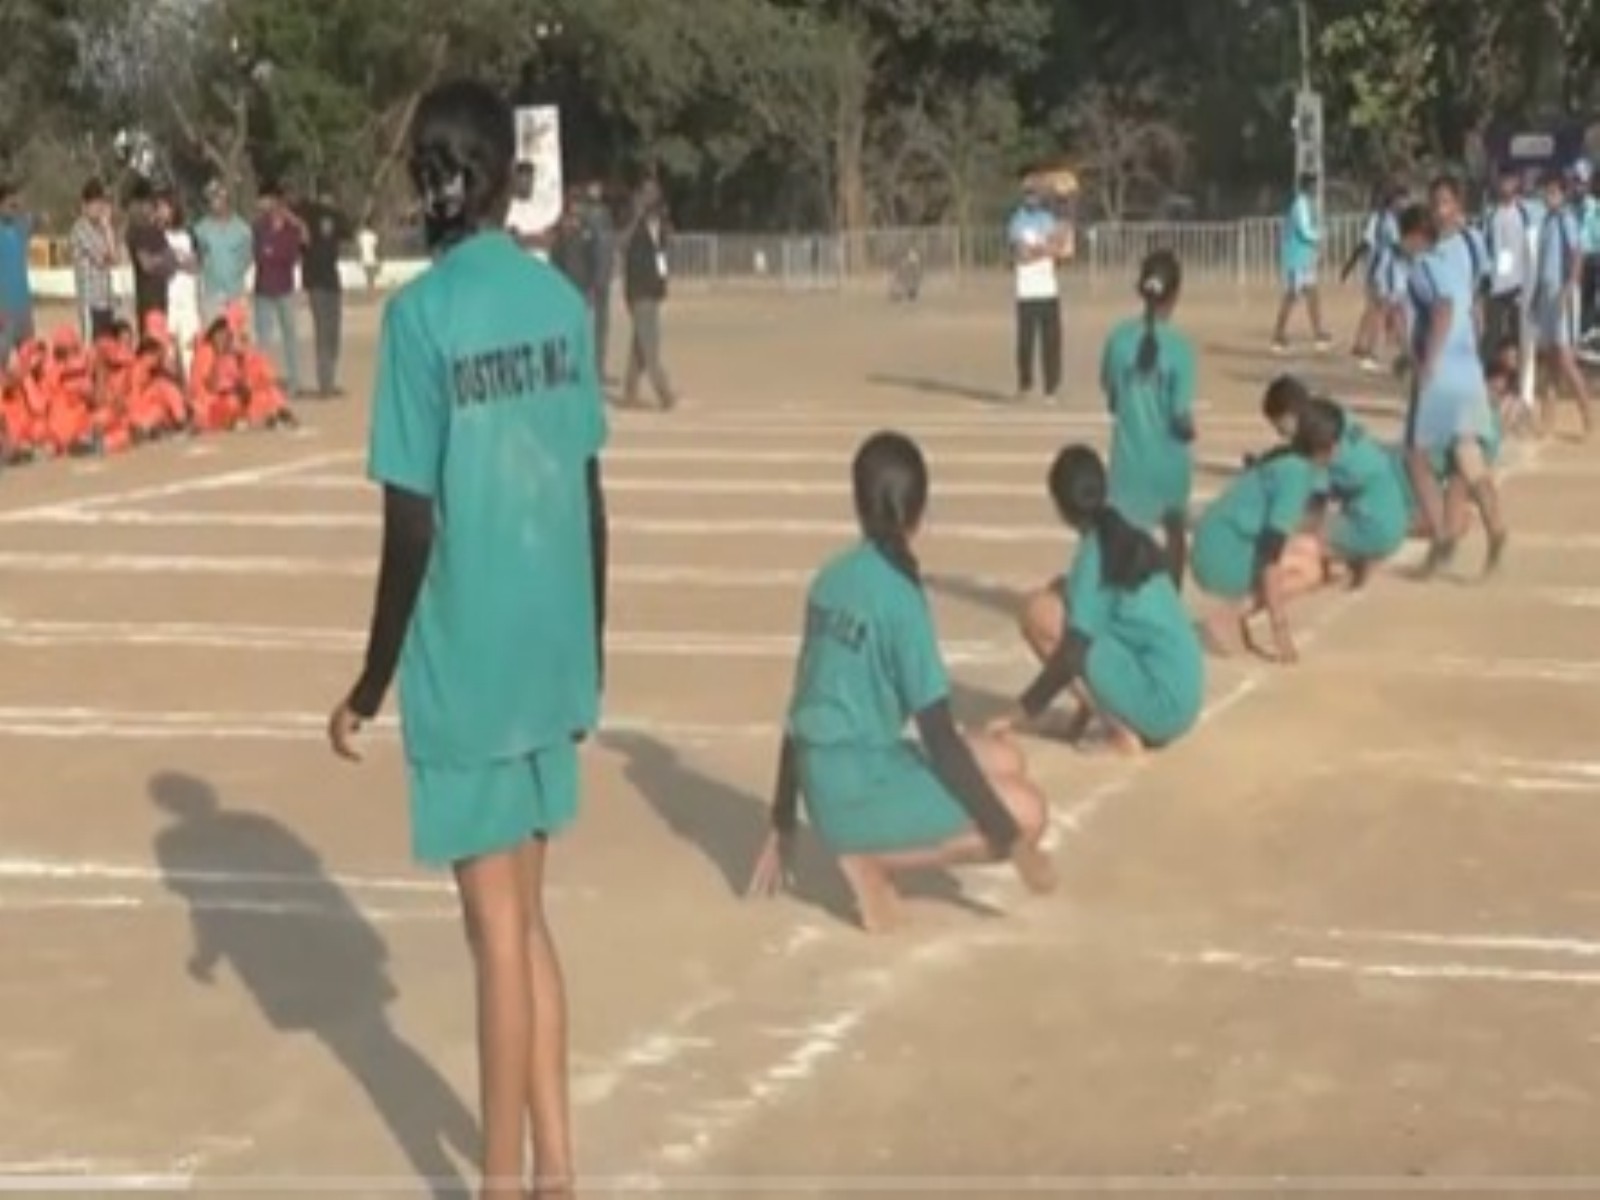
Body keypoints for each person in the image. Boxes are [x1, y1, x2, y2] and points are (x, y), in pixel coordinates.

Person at [326, 79, 607, 1200]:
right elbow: (591, 497)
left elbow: (410, 520)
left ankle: (499, 1184)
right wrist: (591, 653)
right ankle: (555, 1168)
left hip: (472, 658)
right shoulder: (558, 305)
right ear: (506, 179)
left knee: (495, 935)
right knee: (528, 923)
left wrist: (370, 681)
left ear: (431, 186)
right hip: (549, 651)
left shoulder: (420, 320)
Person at [745, 432, 1055, 932]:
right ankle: (870, 859)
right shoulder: (902, 599)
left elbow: (800, 701)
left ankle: (869, 845)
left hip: (832, 771)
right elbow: (939, 738)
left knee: (1006, 758)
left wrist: (784, 816)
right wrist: (1014, 844)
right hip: (856, 791)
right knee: (1029, 812)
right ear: (919, 513)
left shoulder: (831, 577)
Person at [1002, 444, 1203, 755]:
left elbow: (1072, 653)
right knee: (1062, 591)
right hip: (1185, 692)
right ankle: (1097, 715)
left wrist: (1020, 710)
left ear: (1060, 507)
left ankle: (1120, 731)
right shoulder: (1126, 533)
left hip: (1162, 704)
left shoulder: (1094, 554)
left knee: (1039, 613)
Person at [1399, 186, 1510, 578]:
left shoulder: (1425, 265)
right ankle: (1495, 525)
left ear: (1414, 236)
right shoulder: (1453, 259)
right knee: (1467, 454)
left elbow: (1442, 309)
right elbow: (1467, 308)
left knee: (1415, 455)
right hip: (1466, 368)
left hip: (1443, 371)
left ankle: (1442, 536)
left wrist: (1428, 359)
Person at [1191, 397, 1340, 663]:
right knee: (1310, 571)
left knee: (1310, 551)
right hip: (1220, 554)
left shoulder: (1291, 461)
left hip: (1219, 541)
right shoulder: (1295, 476)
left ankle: (1233, 615)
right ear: (1327, 447)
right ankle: (1226, 618)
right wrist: (1280, 631)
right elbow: (1269, 557)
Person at [1100, 249, 1195, 586]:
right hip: (1168, 462)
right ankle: (1171, 602)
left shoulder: (1118, 340)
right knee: (1174, 532)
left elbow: (1111, 396)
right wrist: (1189, 431)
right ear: (1176, 294)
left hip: (1128, 459)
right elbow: (1180, 415)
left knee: (1121, 534)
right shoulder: (1180, 349)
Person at [1261, 376, 1406, 589]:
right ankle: (1357, 558)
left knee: (1293, 538)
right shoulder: (1332, 417)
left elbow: (1314, 505)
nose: (1279, 433)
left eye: (1280, 425)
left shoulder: (1315, 441)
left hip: (1373, 523)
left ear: (1290, 415)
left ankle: (1347, 561)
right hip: (1393, 510)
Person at [1531, 169, 1592, 438]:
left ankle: (1586, 411)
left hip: (1561, 293)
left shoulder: (1566, 220)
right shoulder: (1545, 222)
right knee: (1549, 359)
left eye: (1554, 191)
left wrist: (1571, 285)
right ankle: (1548, 419)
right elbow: (1541, 262)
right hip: (1545, 294)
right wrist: (1534, 296)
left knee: (1565, 358)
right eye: (1546, 191)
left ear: (1563, 194)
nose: (1549, 196)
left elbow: (1576, 253)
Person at [1007, 175, 1064, 403]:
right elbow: (1021, 254)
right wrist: (1043, 249)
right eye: (1029, 194)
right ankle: (1025, 384)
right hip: (1026, 290)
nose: (1033, 198)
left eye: (1036, 194)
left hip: (1048, 289)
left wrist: (1044, 249)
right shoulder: (1016, 221)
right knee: (1025, 343)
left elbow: (1059, 249)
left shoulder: (1048, 219)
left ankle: (1051, 388)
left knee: (1052, 342)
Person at [622, 180, 677, 409]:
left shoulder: (659, 225)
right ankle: (664, 393)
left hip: (652, 289)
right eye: (646, 194)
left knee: (640, 345)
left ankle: (629, 393)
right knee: (650, 345)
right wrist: (636, 217)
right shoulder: (635, 225)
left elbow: (665, 250)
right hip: (639, 289)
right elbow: (623, 244)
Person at [252, 181, 308, 398]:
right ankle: (262, 382)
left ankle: (295, 381)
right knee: (264, 340)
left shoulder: (291, 228)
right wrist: (275, 253)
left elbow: (292, 257)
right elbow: (261, 256)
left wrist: (273, 251)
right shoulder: (259, 226)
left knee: (290, 337)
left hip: (284, 288)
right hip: (264, 289)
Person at [1346, 181, 1407, 372]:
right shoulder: (1387, 220)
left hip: (1393, 275)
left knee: (1395, 314)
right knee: (1379, 313)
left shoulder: (1392, 220)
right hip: (1385, 275)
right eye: (1402, 200)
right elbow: (1396, 248)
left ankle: (1404, 353)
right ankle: (1370, 353)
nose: (1405, 204)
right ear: (1394, 201)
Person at [299, 185, 353, 397]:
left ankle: (328, 381)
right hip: (321, 280)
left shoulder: (313, 213)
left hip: (326, 280)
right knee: (327, 333)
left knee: (329, 333)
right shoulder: (314, 213)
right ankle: (325, 384)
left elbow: (348, 231)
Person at [1271, 172, 1332, 353]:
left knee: (1312, 294)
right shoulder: (1300, 205)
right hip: (1296, 258)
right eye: (1313, 185)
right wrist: (1321, 235)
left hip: (1304, 257)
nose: (1316, 189)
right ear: (1306, 186)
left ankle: (1318, 333)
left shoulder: (1307, 204)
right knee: (1291, 296)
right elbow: (1305, 231)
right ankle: (1278, 335)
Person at [1482, 164, 1533, 362]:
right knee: (1492, 332)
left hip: (1519, 282)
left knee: (1518, 333)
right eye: (1503, 182)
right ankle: (1484, 376)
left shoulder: (1524, 212)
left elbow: (1531, 245)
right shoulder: (1491, 214)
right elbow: (1485, 246)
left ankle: (1516, 378)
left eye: (1511, 182)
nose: (1507, 186)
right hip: (1496, 282)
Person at [193, 181, 254, 325]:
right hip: (212, 293)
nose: (215, 202)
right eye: (211, 199)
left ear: (226, 200)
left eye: (218, 197)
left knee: (238, 337)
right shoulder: (201, 229)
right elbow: (198, 257)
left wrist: (236, 274)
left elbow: (248, 258)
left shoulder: (242, 229)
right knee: (214, 336)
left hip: (236, 292)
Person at [70, 179, 119, 342]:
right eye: (94, 204)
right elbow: (103, 258)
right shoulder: (80, 229)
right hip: (90, 302)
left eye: (101, 203)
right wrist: (106, 230)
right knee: (92, 350)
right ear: (84, 205)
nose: (98, 209)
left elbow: (114, 258)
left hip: (106, 300)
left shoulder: (102, 229)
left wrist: (108, 228)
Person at [126, 180, 177, 334]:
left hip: (161, 297)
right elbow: (145, 264)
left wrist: (159, 260)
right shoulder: (134, 232)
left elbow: (172, 264)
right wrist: (162, 259)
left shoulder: (156, 232)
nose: (147, 209)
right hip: (147, 299)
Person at [163, 198, 202, 371]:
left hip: (187, 300)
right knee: (168, 351)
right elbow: (163, 266)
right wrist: (179, 262)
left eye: (165, 208)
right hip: (168, 299)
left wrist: (177, 262)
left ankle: (191, 391)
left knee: (189, 351)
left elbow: (195, 266)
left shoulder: (189, 235)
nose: (162, 212)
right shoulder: (159, 236)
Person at [582, 181, 615, 379]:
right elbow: (588, 250)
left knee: (600, 326)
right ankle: (593, 368)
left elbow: (605, 248)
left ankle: (597, 368)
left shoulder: (601, 215)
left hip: (600, 277)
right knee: (593, 326)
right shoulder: (588, 217)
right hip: (593, 279)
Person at [0, 182, 33, 364]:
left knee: (28, 357)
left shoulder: (20, 228)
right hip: (3, 309)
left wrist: (20, 205)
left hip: (23, 306)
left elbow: (33, 218)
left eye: (15, 205)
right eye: (9, 205)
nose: (13, 209)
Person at [1574, 159, 1598, 338]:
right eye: (1576, 181)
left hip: (1593, 257)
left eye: (1582, 182)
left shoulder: (1594, 207)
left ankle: (1590, 330)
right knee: (1580, 298)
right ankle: (1583, 331)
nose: (1579, 186)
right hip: (1576, 259)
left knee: (1591, 296)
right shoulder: (1569, 208)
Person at [358, 224, 381, 292]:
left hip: (364, 256)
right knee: (371, 273)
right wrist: (378, 256)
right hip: (371, 256)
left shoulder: (361, 235)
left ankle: (369, 286)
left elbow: (359, 247)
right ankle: (371, 286)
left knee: (368, 273)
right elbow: (376, 247)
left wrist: (359, 256)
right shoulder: (373, 235)